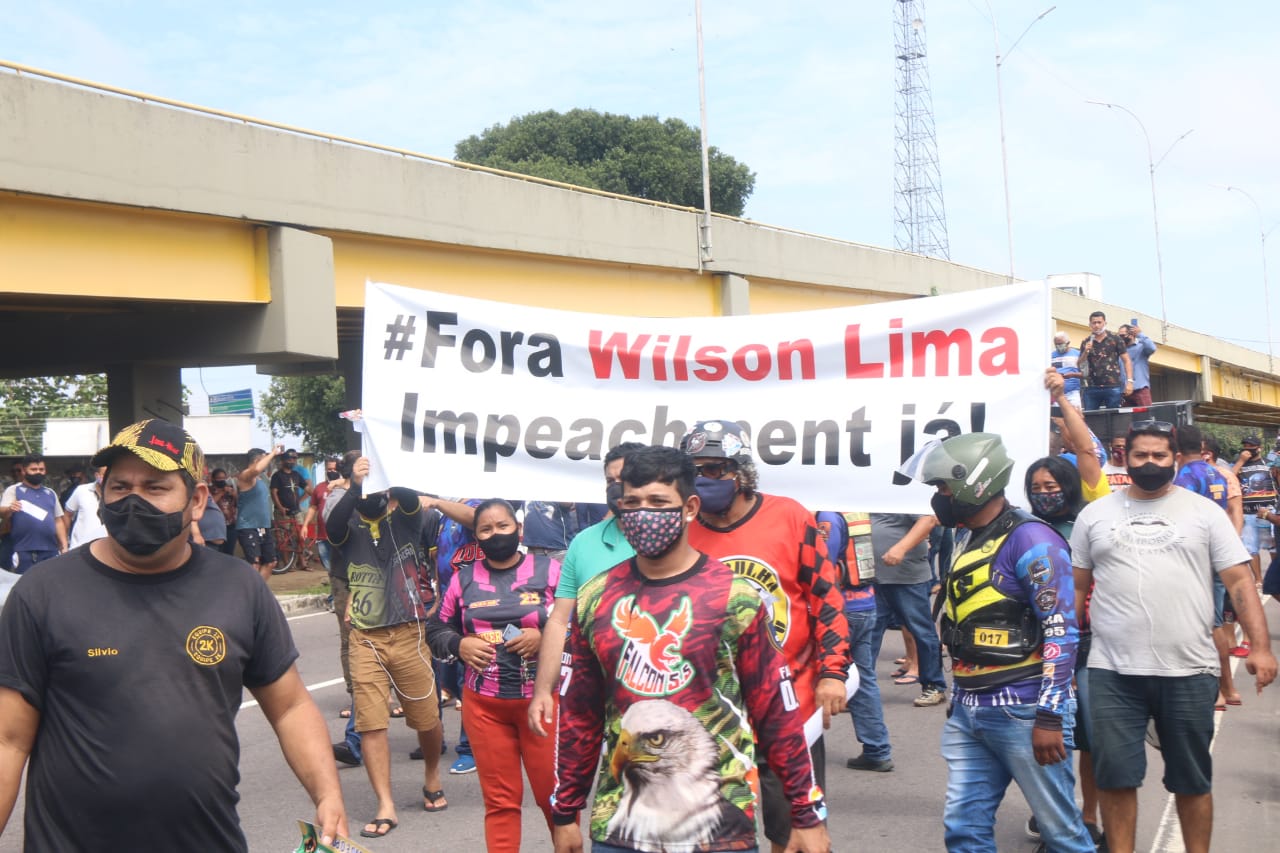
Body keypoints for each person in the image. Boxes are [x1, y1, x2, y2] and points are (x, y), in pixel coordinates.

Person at [0, 418, 347, 849]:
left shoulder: (239, 587)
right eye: (120, 487)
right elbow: (8, 741)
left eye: (155, 487)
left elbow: (291, 707)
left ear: (197, 500)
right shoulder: (43, 592)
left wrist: (328, 794)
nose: (133, 502)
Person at [551, 446, 830, 853]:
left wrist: (806, 813)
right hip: (620, 829)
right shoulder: (596, 598)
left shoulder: (735, 597)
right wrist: (565, 812)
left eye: (658, 502)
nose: (642, 513)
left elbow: (777, 712)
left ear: (689, 507)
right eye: (631, 502)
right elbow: (578, 714)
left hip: (719, 831)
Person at [1070, 420, 1277, 853]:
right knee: (1115, 778)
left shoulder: (1204, 514)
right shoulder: (1096, 514)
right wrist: (1061, 656)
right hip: (1112, 671)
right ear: (1126, 457)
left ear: (1175, 459)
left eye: (1158, 456)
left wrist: (1260, 647)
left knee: (1191, 780)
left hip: (1189, 670)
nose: (1150, 463)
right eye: (1140, 455)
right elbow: (1078, 587)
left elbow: (1239, 582)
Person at [903, 431, 1094, 853]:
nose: (939, 497)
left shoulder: (1032, 540)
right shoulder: (970, 535)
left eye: (943, 487)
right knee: (963, 828)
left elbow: (1062, 632)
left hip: (1024, 711)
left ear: (976, 483)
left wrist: (1048, 717)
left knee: (1062, 833)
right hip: (970, 709)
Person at [680, 419, 849, 853]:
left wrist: (832, 673)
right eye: (695, 469)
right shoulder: (681, 529)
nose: (704, 479)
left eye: (715, 469)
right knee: (711, 835)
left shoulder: (790, 516)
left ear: (741, 472)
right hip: (710, 708)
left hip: (789, 701)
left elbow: (826, 600)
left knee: (796, 834)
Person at [427, 499, 560, 852]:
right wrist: (458, 644)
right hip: (484, 708)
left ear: (518, 529)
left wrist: (544, 637)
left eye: (502, 526)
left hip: (543, 703)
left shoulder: (551, 571)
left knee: (555, 801)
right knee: (500, 804)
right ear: (476, 536)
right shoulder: (463, 578)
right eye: (485, 529)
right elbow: (437, 627)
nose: (495, 534)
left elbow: (581, 626)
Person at [325, 455, 446, 838]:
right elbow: (331, 524)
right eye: (363, 488)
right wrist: (356, 485)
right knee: (371, 724)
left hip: (409, 634)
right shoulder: (347, 530)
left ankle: (431, 775)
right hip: (365, 639)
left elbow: (410, 497)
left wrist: (385, 466)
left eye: (378, 487)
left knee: (426, 719)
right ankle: (386, 805)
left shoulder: (407, 520)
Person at [528, 441, 644, 737]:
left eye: (625, 480)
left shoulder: (677, 538)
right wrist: (543, 690)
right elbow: (558, 620)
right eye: (610, 481)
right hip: (598, 693)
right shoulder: (584, 543)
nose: (617, 488)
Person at [818, 511, 891, 773]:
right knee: (864, 678)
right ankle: (877, 749)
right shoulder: (854, 509)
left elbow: (820, 564)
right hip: (865, 603)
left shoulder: (827, 515)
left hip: (842, 609)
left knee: (811, 675)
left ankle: (794, 748)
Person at [868, 512, 946, 706]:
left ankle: (934, 686)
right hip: (872, 577)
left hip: (907, 578)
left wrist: (900, 548)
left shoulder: (905, 493)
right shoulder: (865, 493)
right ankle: (860, 690)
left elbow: (929, 520)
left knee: (922, 631)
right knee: (867, 635)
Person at [0, 453, 68, 574]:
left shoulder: (50, 493)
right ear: (24, 470)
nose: (38, 472)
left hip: (50, 549)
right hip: (24, 550)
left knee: (49, 584)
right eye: (34, 469)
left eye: (41, 469)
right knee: (25, 585)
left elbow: (58, 520)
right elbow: (2, 512)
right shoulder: (14, 490)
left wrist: (64, 545)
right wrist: (10, 509)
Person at [1232, 434, 1274, 593]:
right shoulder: (1238, 465)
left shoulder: (1269, 464)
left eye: (1251, 446)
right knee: (1251, 548)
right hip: (1248, 513)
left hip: (1268, 512)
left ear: (1259, 448)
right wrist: (1240, 461)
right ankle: (1258, 579)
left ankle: (1274, 575)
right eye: (1245, 445)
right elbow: (1228, 478)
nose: (1247, 449)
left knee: (1273, 547)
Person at [235, 445, 281, 580]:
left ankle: (259, 591)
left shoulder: (262, 479)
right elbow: (256, 469)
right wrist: (273, 453)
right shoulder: (246, 476)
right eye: (264, 459)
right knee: (254, 563)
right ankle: (249, 593)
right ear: (256, 461)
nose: (267, 462)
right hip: (248, 527)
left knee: (271, 562)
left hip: (263, 526)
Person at [1079, 311, 1134, 410]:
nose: (1096, 325)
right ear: (1090, 324)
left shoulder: (1116, 339)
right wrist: (1085, 352)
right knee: (1091, 420)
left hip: (1112, 386)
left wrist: (1129, 382)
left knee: (1114, 419)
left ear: (1105, 323)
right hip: (1092, 387)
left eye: (1099, 322)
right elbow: (1079, 363)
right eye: (1094, 323)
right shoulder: (1086, 342)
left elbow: (1127, 360)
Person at [270, 448, 312, 571]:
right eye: (289, 458)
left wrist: (317, 497)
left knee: (300, 537)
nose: (292, 461)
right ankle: (287, 564)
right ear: (283, 460)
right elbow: (274, 493)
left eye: (294, 459)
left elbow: (307, 488)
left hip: (296, 511)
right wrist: (280, 507)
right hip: (282, 511)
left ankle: (303, 563)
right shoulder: (277, 476)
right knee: (283, 539)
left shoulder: (296, 475)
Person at [64, 465, 108, 549]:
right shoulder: (82, 490)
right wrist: (65, 541)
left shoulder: (118, 495)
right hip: (79, 548)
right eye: (104, 474)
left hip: (105, 550)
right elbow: (67, 515)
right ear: (97, 475)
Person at [1117, 322, 1157, 407]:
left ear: (1131, 335)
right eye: (1119, 336)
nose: (1120, 338)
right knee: (1126, 419)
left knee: (1146, 417)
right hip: (1125, 392)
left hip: (1140, 389)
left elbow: (1152, 348)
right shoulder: (1118, 351)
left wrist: (1140, 334)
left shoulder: (1141, 347)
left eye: (1123, 335)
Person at [1050, 331, 1083, 410]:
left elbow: (1084, 374)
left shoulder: (1078, 354)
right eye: (1056, 344)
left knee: (1076, 416)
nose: (1058, 346)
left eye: (1060, 344)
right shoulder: (1051, 356)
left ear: (1068, 343)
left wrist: (1072, 375)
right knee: (1057, 419)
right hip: (1056, 394)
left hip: (1072, 393)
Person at [210, 468, 239, 556]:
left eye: (224, 478)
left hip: (231, 526)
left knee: (229, 553)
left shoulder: (230, 488)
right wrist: (222, 492)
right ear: (213, 479)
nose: (222, 480)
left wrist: (235, 495)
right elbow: (210, 503)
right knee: (218, 553)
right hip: (216, 527)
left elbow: (239, 504)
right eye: (219, 478)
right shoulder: (209, 490)